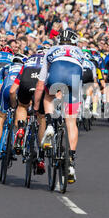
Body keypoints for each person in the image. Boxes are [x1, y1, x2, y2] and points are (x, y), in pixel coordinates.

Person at [33, 30, 84, 184]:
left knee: (48, 95)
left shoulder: (51, 50)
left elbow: (41, 83)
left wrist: (36, 106)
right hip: (74, 76)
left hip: (56, 73)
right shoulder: (80, 52)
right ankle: (71, 162)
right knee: (71, 122)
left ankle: (49, 125)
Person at [9, 49, 47, 174]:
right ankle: (41, 157)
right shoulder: (48, 60)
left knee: (22, 107)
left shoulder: (28, 61)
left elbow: (12, 90)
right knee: (41, 117)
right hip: (40, 80)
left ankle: (21, 128)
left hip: (26, 78)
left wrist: (15, 105)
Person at [0, 54, 25, 165]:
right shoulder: (25, 67)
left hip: (6, 90)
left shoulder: (5, 68)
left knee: (0, 117)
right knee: (22, 111)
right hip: (20, 90)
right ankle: (19, 138)